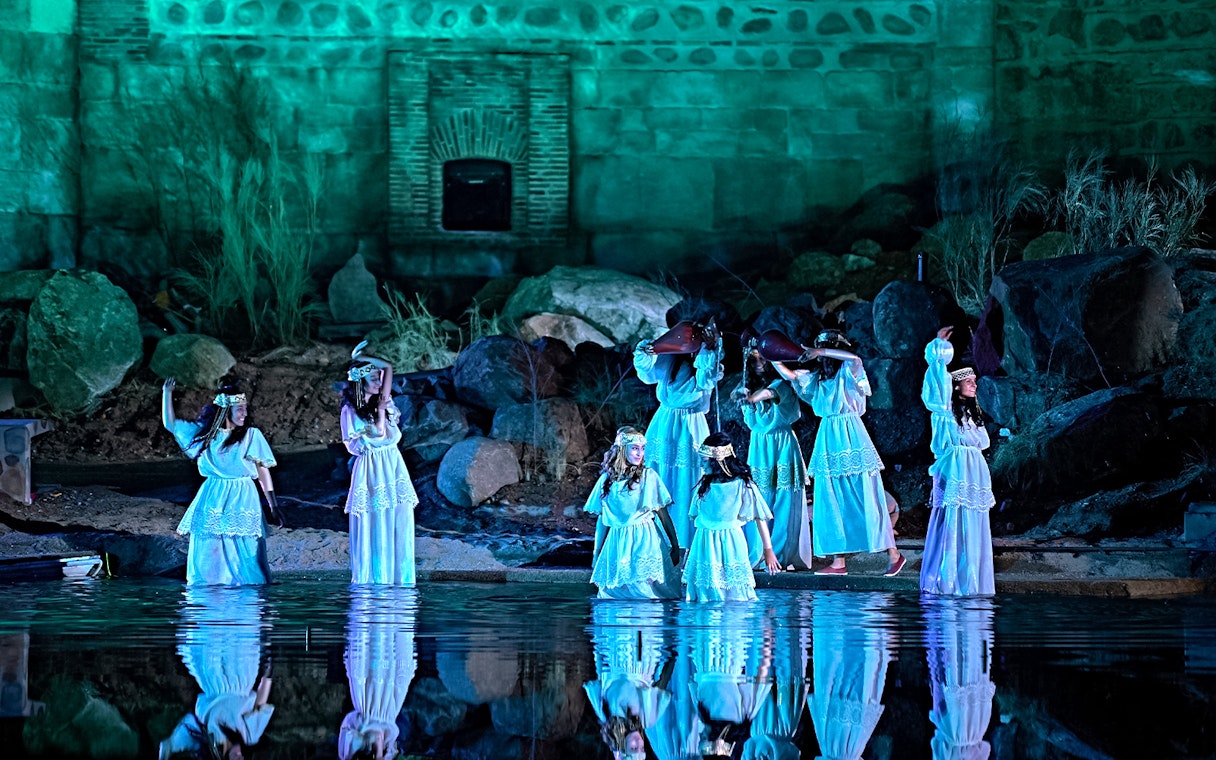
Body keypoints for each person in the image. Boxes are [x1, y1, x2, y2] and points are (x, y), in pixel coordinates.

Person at [767, 330, 904, 577]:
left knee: (865, 495)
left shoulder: (848, 374)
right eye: (819, 351)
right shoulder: (817, 380)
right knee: (831, 498)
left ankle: (893, 554)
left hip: (851, 435)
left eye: (826, 350)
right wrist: (772, 354)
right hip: (828, 437)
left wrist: (821, 350)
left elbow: (854, 359)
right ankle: (838, 562)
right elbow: (789, 375)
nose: (821, 357)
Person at [162, 378, 280, 586]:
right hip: (213, 492)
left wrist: (273, 504)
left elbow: (263, 470)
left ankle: (250, 591)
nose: (244, 413)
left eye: (245, 409)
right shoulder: (205, 435)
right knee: (211, 542)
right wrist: (167, 393)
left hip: (243, 494)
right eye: (240, 409)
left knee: (246, 545)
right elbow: (170, 424)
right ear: (226, 410)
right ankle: (211, 590)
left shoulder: (251, 435)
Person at [919, 326, 996, 596]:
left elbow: (982, 443)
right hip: (955, 469)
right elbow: (937, 384)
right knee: (954, 521)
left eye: (975, 381)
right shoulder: (944, 412)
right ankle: (949, 580)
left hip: (974, 471)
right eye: (969, 381)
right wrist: (939, 350)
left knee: (973, 522)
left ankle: (973, 579)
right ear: (956, 385)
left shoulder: (973, 418)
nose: (974, 384)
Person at [634, 321, 724, 547]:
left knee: (689, 477)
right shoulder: (670, 358)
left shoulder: (706, 362)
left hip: (691, 423)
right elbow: (647, 374)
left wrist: (708, 348)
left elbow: (707, 379)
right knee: (660, 473)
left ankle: (686, 540)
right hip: (665, 421)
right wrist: (651, 348)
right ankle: (657, 539)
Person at [159, 586, 275, 760]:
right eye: (242, 759)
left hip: (212, 680)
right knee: (242, 628)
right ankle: (243, 593)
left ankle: (204, 595)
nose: (239, 756)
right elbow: (260, 705)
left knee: (209, 634)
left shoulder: (210, 739)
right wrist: (268, 676)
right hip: (241, 678)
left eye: (235, 759)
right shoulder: (249, 737)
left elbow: (176, 741)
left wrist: (168, 750)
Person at [340, 342, 420, 586]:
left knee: (399, 513)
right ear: (361, 383)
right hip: (372, 467)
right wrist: (383, 412)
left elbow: (388, 367)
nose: (378, 383)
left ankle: (401, 578)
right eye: (372, 379)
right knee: (375, 517)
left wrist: (361, 356)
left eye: (378, 379)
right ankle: (376, 578)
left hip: (392, 463)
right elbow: (378, 431)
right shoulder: (351, 411)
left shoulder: (382, 400)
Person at [736, 334, 812, 572]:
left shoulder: (780, 386)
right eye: (754, 360)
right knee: (760, 498)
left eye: (762, 360)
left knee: (783, 500)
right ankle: (759, 552)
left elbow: (764, 395)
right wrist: (744, 397)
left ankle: (781, 554)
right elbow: (751, 418)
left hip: (782, 445)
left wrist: (746, 397)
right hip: (759, 446)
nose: (759, 364)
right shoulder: (750, 390)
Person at [584, 426, 683, 600]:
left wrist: (674, 546)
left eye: (642, 449)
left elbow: (663, 515)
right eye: (635, 449)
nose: (640, 454)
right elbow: (603, 519)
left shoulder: (648, 476)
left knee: (645, 589)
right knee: (614, 592)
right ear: (623, 450)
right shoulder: (607, 480)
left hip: (644, 539)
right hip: (617, 541)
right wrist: (597, 552)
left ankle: (647, 624)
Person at [683, 432, 781, 603]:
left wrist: (768, 550)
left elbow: (759, 517)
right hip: (705, 543)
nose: (700, 464)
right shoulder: (705, 485)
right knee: (705, 591)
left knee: (734, 594)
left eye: (704, 460)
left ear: (718, 460)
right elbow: (697, 516)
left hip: (731, 543)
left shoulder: (741, 484)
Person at [340, 585, 418, 760]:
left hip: (368, 703)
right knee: (393, 651)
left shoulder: (351, 749)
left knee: (371, 652)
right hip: (387, 706)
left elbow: (351, 733)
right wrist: (380, 753)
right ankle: (392, 597)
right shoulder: (387, 744)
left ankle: (372, 597)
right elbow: (380, 738)